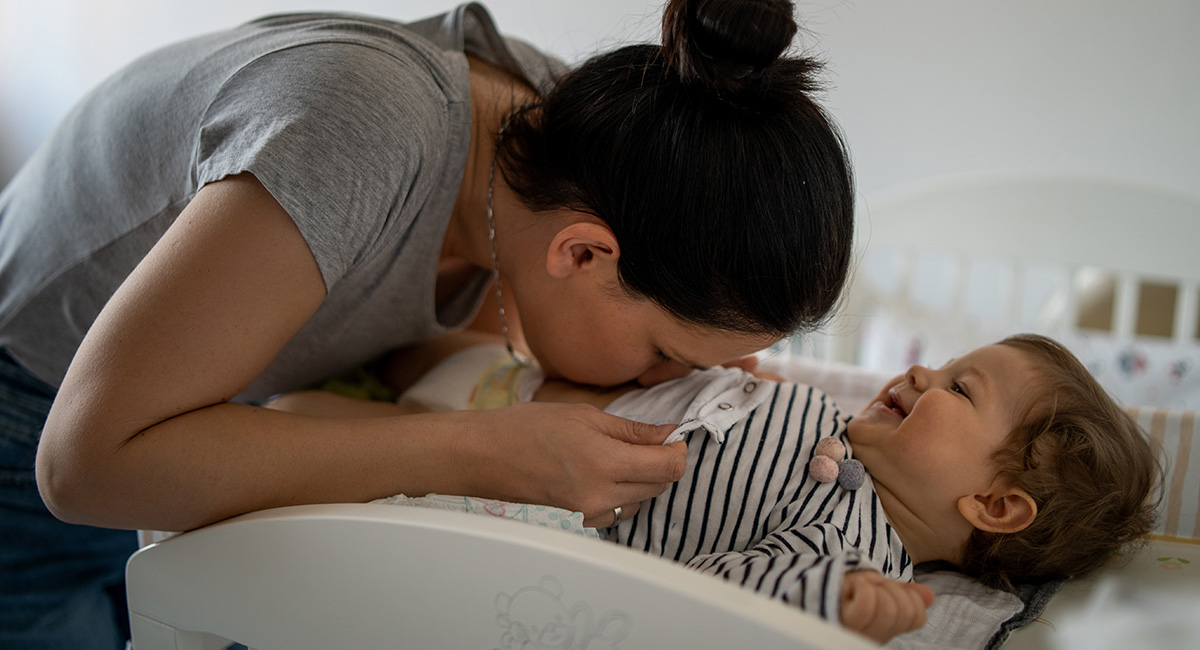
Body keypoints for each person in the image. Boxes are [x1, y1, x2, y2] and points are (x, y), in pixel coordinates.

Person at [0, 1, 855, 647]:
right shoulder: (359, 131)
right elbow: (82, 467)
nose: (660, 382)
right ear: (584, 255)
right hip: (37, 400)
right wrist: (484, 448)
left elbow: (402, 317)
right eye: (664, 353)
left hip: (181, 404)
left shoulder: (569, 142)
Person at [271, 331, 1160, 643]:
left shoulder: (856, 545)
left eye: (961, 389)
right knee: (400, 361)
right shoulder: (839, 422)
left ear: (994, 506)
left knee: (313, 431)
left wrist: (833, 601)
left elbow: (732, 596)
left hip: (522, 485)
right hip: (552, 393)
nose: (925, 369)